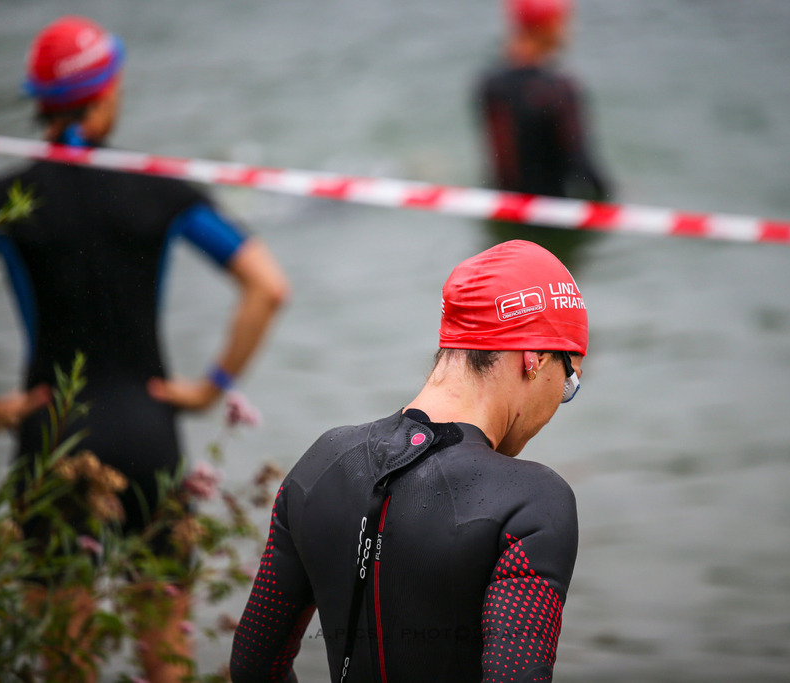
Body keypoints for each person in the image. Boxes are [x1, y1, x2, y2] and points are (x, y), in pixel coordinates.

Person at [0, 15, 288, 683]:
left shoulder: (0, 201)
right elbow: (267, 287)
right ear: (107, 91)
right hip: (149, 433)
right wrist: (209, 387)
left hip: (52, 437)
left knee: (67, 664)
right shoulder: (161, 188)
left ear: (40, 102)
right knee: (167, 663)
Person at [231, 239, 586, 682]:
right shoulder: (533, 503)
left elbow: (252, 667)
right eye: (569, 381)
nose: (558, 403)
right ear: (535, 357)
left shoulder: (320, 463)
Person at [476, 0, 614, 202]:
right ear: (549, 28)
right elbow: (582, 166)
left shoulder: (489, 83)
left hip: (503, 203)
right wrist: (608, 197)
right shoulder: (558, 90)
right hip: (552, 208)